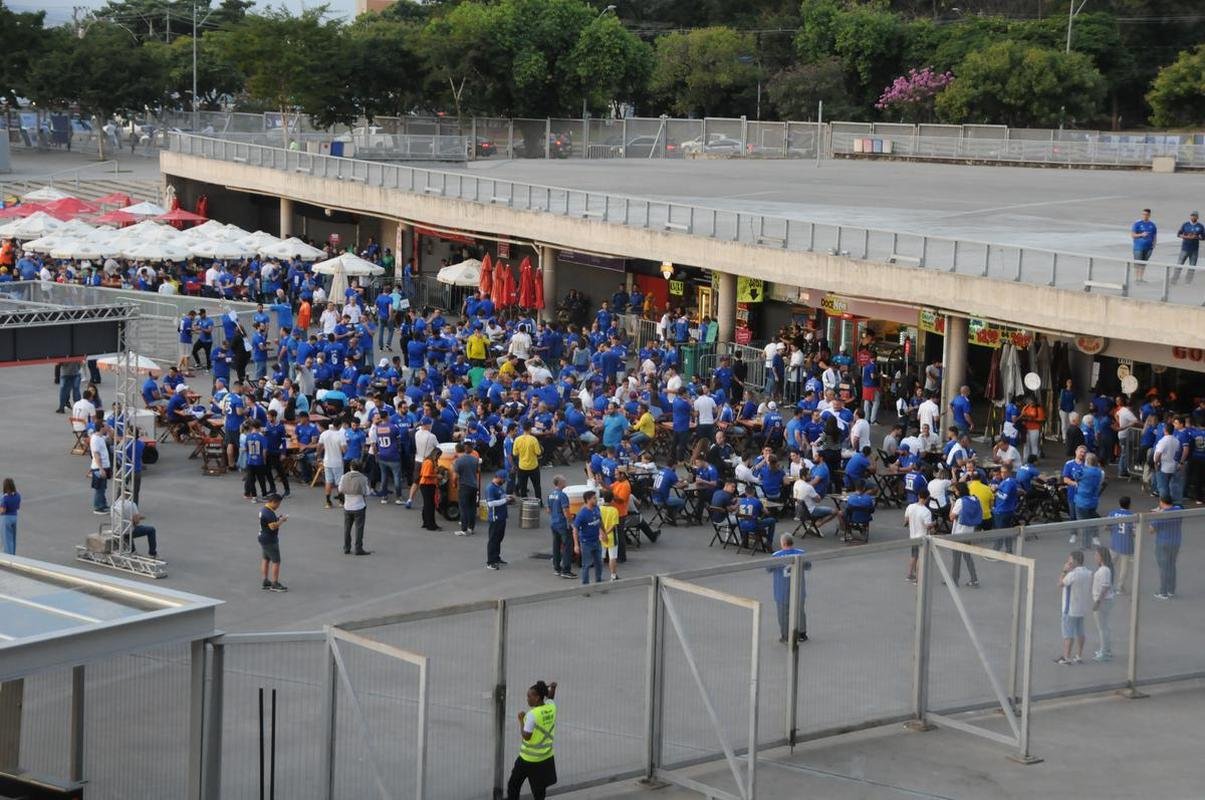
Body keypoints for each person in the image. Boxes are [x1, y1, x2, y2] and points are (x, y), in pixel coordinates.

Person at [505, 680, 559, 800]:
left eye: (529, 696)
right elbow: (550, 698)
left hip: (527, 759)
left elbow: (526, 736)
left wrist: (521, 720)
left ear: (538, 697)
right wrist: (553, 689)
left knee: (513, 785)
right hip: (545, 758)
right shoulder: (552, 708)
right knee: (539, 792)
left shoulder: (532, 715)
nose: (527, 699)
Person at [766, 533, 809, 644]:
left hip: (782, 589)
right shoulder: (801, 553)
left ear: (783, 543)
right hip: (798, 587)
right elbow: (808, 565)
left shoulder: (776, 555)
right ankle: (802, 633)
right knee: (799, 611)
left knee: (783, 613)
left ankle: (786, 636)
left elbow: (768, 568)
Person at [1055, 549, 1093, 665]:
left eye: (1070, 561)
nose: (1068, 562)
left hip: (1070, 608)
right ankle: (1079, 655)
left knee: (1068, 634)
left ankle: (1066, 657)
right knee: (1080, 632)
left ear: (1076, 561)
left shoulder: (1072, 574)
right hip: (1082, 607)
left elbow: (1060, 584)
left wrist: (1064, 571)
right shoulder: (1088, 573)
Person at [947, 482, 980, 587]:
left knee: (956, 558)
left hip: (958, 533)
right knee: (967, 556)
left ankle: (954, 580)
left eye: (956, 490)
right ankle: (974, 579)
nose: (955, 492)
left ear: (959, 491)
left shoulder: (960, 501)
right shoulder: (974, 499)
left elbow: (951, 517)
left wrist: (952, 503)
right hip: (969, 532)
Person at [1151, 494, 1182, 600]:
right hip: (1175, 542)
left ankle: (1163, 592)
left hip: (1163, 543)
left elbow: (1151, 530)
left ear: (1162, 502)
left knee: (1163, 567)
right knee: (1172, 565)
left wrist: (1157, 514)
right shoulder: (1178, 510)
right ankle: (1171, 590)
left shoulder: (1161, 515)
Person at [339, 460, 372, 555]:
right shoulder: (363, 478)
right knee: (359, 528)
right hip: (359, 506)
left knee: (347, 528)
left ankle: (346, 547)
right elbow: (367, 492)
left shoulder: (344, 477)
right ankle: (358, 548)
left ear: (350, 467)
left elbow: (340, 489)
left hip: (347, 506)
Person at [258, 493, 288, 591]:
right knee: (276, 561)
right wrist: (282, 520)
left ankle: (265, 581)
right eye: (278, 504)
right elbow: (273, 527)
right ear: (273, 502)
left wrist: (277, 519)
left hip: (263, 537)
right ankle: (275, 583)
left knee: (266, 559)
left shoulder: (264, 510)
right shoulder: (269, 513)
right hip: (270, 539)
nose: (278, 506)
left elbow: (269, 523)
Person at [573, 490, 603, 584]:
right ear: (588, 500)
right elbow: (575, 529)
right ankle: (585, 586)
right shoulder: (582, 514)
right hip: (586, 543)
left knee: (599, 563)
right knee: (586, 565)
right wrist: (576, 545)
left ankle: (599, 582)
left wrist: (604, 533)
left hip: (597, 541)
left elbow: (600, 522)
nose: (596, 500)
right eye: (594, 498)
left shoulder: (597, 509)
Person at [548, 476, 575, 579]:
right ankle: (566, 570)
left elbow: (548, 510)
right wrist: (570, 521)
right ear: (559, 483)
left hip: (554, 523)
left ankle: (557, 567)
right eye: (564, 481)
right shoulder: (562, 495)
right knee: (567, 546)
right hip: (563, 524)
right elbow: (565, 510)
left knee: (556, 545)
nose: (565, 482)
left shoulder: (551, 495)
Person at [904, 488, 934, 582]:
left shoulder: (910, 507)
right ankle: (918, 579)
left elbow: (906, 520)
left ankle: (910, 574)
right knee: (920, 559)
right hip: (922, 537)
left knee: (914, 556)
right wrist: (933, 524)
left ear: (918, 496)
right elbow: (927, 526)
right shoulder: (926, 511)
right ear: (927, 498)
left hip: (913, 536)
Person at [1091, 546, 1115, 662]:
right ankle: (1106, 649)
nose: (1095, 557)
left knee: (1102, 628)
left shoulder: (1104, 570)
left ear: (1101, 556)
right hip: (1105, 601)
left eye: (1096, 555)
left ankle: (1104, 652)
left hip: (1103, 601)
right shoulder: (1105, 569)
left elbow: (1105, 586)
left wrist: (1098, 602)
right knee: (1104, 626)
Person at [453, 443, 481, 536]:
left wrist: (454, 484)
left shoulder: (458, 461)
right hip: (473, 486)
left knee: (463, 508)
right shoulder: (475, 459)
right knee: (472, 508)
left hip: (464, 486)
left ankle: (463, 529)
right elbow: (477, 471)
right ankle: (471, 528)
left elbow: (455, 475)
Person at [484, 470, 510, 570]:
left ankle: (496, 558)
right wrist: (505, 500)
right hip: (495, 518)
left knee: (499, 539)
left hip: (502, 516)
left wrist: (507, 497)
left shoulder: (499, 487)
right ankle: (490, 562)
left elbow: (501, 497)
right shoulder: (490, 488)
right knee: (493, 540)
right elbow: (490, 503)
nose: (505, 481)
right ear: (499, 477)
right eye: (504, 479)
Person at [318, 420, 347, 509]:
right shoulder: (340, 435)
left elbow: (319, 446)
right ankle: (341, 501)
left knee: (328, 481)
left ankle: (328, 501)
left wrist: (318, 456)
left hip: (327, 461)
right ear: (339, 425)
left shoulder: (324, 434)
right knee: (339, 482)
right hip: (337, 462)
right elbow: (344, 450)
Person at [513, 424, 544, 505]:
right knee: (537, 486)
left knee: (523, 487)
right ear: (530, 429)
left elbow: (515, 453)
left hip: (522, 466)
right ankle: (539, 502)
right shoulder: (533, 439)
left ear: (523, 429)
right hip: (533, 466)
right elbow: (538, 452)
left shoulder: (517, 439)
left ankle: (525, 503)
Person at [1172, 210, 1203, 284]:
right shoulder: (1185, 224)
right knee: (1179, 265)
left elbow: (1203, 237)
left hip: (1194, 250)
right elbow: (1178, 234)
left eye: (1195, 215)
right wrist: (1186, 236)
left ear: (1197, 217)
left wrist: (1196, 237)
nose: (1193, 217)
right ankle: (1174, 280)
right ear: (1190, 216)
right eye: (1192, 215)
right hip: (1185, 248)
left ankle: (1188, 282)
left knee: (1192, 267)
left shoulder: (1200, 226)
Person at [89, 423, 111, 514]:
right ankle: (98, 507)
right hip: (99, 467)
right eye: (105, 426)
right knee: (99, 488)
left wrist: (110, 431)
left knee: (103, 487)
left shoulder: (101, 437)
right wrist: (101, 469)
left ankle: (103, 504)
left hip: (104, 466)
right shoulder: (95, 439)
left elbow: (109, 439)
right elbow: (96, 454)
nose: (107, 427)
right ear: (101, 428)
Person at [1130, 207, 1156, 283]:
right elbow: (1133, 235)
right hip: (1138, 247)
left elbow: (1154, 235)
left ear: (1149, 215)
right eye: (1143, 214)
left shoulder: (1152, 225)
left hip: (1148, 247)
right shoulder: (1137, 224)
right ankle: (1136, 278)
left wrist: (1154, 244)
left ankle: (1141, 278)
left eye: (1146, 214)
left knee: (1144, 264)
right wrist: (1141, 234)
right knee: (1138, 263)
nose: (1145, 216)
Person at [600, 489, 621, 581]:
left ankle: (599, 575)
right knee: (612, 557)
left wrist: (602, 533)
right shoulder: (614, 510)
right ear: (612, 499)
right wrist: (606, 533)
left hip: (600, 535)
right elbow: (613, 525)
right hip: (611, 536)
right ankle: (613, 575)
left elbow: (597, 523)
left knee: (601, 556)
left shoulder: (599, 509)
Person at [419, 449, 442, 532]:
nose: (439, 458)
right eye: (438, 456)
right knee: (430, 506)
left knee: (427, 505)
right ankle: (431, 525)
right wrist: (436, 476)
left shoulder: (431, 462)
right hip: (427, 485)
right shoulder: (429, 462)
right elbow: (425, 474)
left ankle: (426, 522)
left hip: (428, 485)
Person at [1, 478, 20, 555]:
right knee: (12, 539)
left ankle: (8, 557)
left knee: (6, 540)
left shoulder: (5, 498)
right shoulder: (18, 495)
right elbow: (18, 507)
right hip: (14, 517)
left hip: (6, 519)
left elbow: (3, 511)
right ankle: (13, 555)